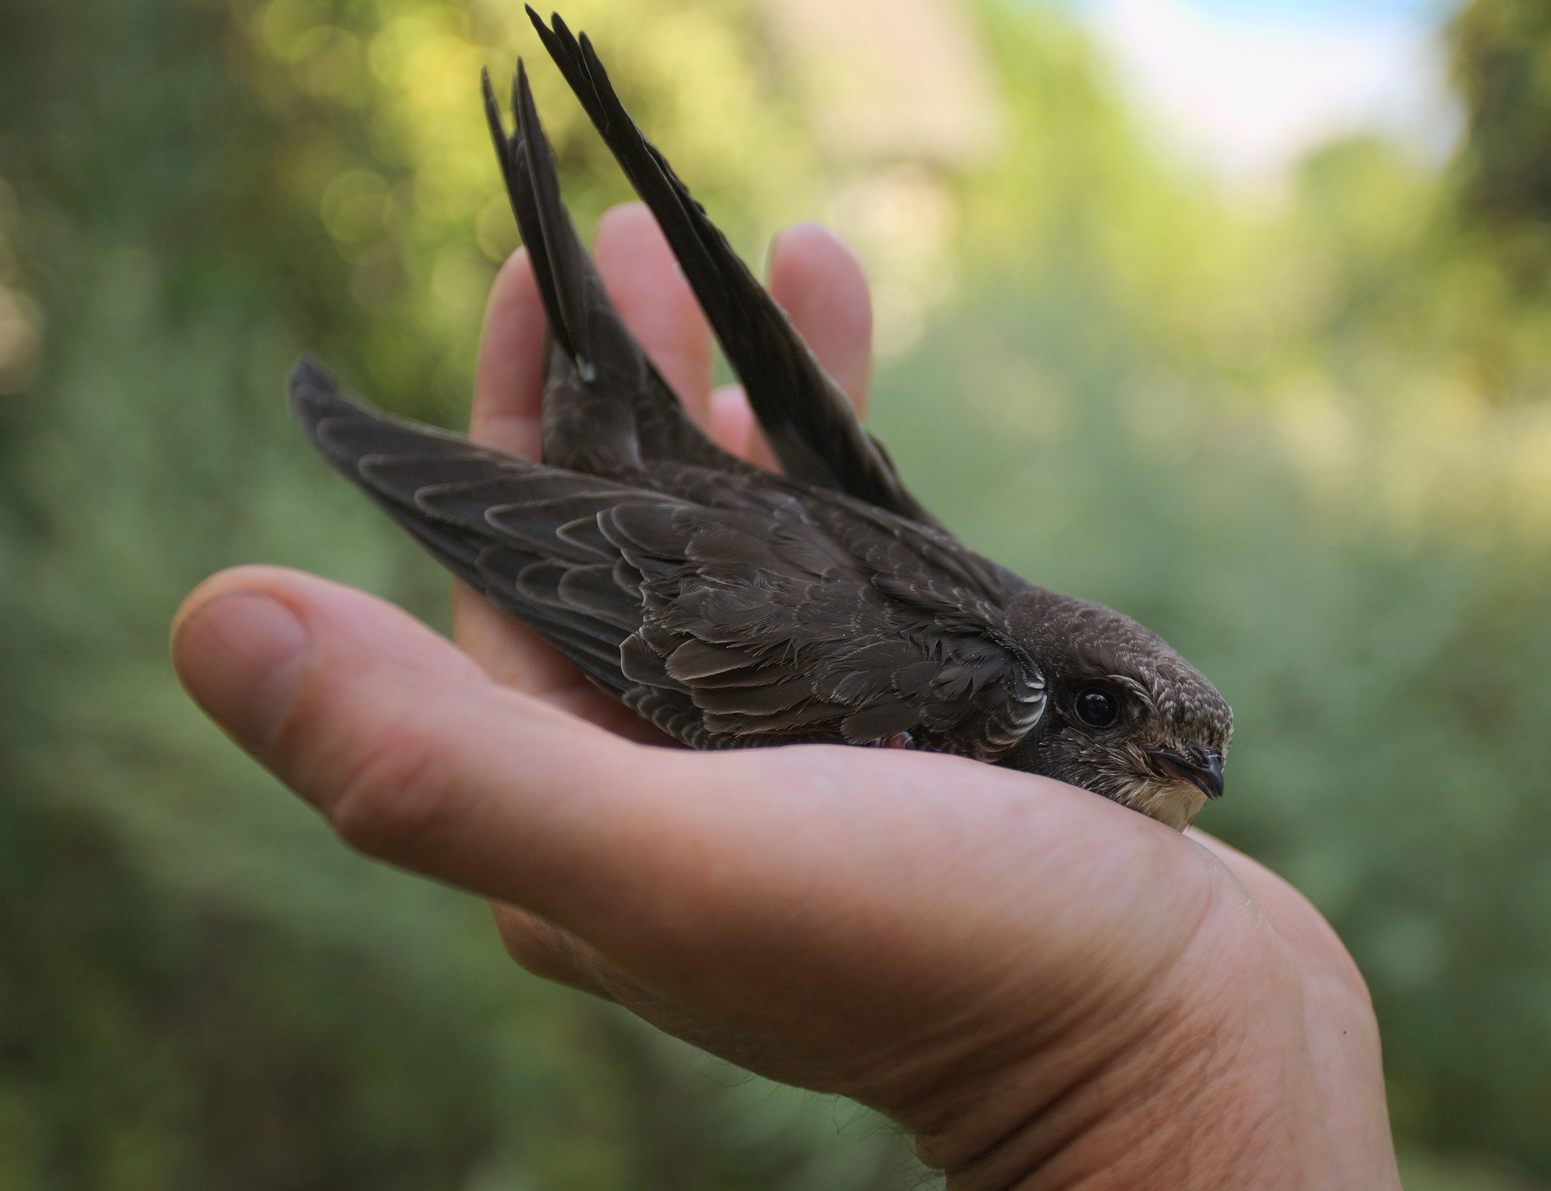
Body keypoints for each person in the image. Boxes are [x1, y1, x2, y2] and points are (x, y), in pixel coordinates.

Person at [170, 206, 1401, 1188]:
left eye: (1193, 752)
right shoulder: (982, 693)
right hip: (662, 533)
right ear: (1052, 693)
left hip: (701, 524)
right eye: (1112, 717)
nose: (1179, 775)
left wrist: (1157, 1038)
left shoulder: (1001, 692)